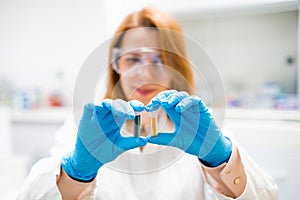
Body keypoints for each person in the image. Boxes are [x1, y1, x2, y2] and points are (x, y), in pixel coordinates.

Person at [17, 7, 277, 200]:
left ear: (177, 66)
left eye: (160, 59)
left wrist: (220, 160)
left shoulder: (202, 128)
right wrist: (75, 173)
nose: (145, 73)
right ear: (116, 66)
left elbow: (266, 196)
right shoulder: (82, 128)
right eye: (132, 60)